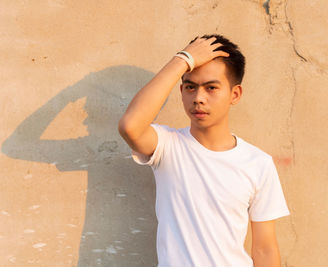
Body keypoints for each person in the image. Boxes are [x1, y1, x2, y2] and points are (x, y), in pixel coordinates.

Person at [118, 34, 290, 267]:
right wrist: (183, 60)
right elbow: (130, 126)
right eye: (190, 87)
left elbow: (265, 249)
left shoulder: (258, 163)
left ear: (235, 94)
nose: (198, 98)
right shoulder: (167, 146)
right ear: (181, 92)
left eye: (211, 88)